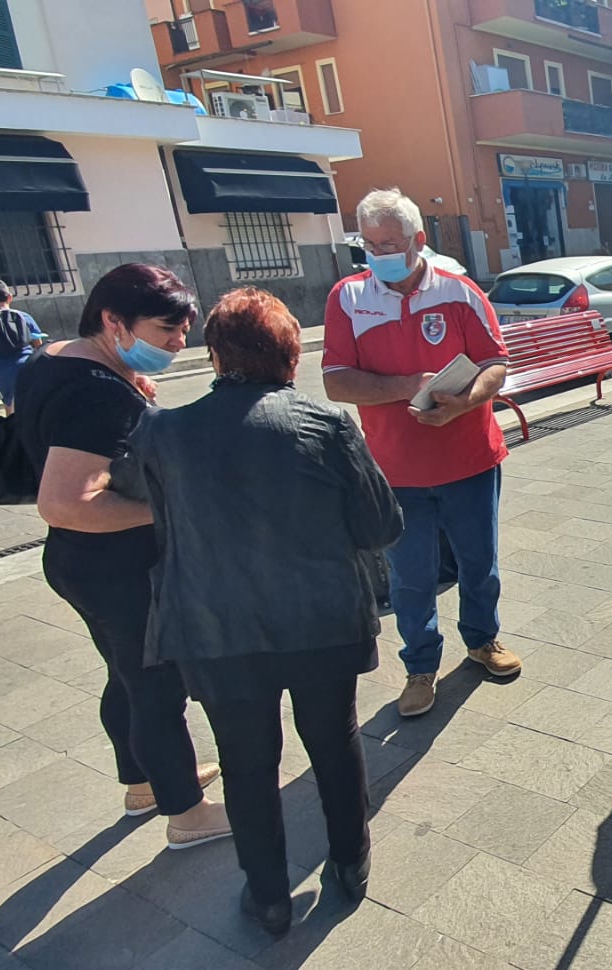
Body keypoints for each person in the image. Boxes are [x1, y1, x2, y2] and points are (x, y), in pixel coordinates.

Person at [120, 288, 401, 936]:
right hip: (322, 621)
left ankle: (269, 897)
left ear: (216, 356)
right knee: (335, 741)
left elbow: (135, 490)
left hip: (218, 628)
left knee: (247, 762)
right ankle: (352, 863)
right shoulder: (326, 426)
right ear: (288, 356)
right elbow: (380, 522)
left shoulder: (164, 431)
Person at [12, 263, 228, 848]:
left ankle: (143, 783)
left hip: (77, 564)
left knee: (126, 676)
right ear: (114, 321)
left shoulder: (54, 359)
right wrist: (175, 508)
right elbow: (65, 503)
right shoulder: (95, 394)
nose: (178, 345)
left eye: (184, 332)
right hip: (115, 567)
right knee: (157, 686)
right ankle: (186, 812)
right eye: (166, 330)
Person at [323, 188, 522, 720]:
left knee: (480, 564)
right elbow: (336, 383)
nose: (381, 251)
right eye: (370, 242)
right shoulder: (347, 297)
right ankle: (420, 667)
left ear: (418, 240)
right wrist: (408, 385)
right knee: (411, 576)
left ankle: (483, 641)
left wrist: (465, 403)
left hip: (470, 462)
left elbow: (496, 364)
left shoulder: (459, 293)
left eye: (392, 242)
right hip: (397, 472)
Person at [0, 279, 46, 414]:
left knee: (10, 409)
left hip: (1, 369)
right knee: (35, 404)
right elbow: (38, 346)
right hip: (27, 366)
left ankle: (15, 433)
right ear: (9, 297)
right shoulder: (24, 317)